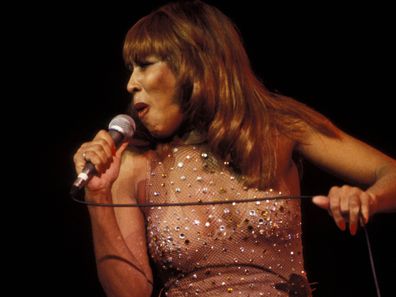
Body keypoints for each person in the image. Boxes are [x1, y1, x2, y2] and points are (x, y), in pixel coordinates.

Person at [72, 1, 396, 296]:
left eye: (144, 65)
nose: (131, 83)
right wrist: (98, 197)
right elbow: (129, 294)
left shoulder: (279, 127)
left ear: (193, 65)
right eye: (131, 69)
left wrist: (367, 199)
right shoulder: (135, 164)